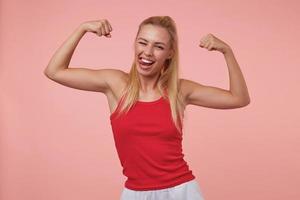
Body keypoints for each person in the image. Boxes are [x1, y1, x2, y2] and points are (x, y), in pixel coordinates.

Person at [44, 16, 250, 200]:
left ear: (170, 53)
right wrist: (82, 28)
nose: (148, 52)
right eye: (143, 42)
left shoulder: (179, 90)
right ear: (135, 44)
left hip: (181, 192)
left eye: (159, 46)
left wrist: (227, 51)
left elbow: (239, 98)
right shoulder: (115, 84)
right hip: (135, 192)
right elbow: (54, 71)